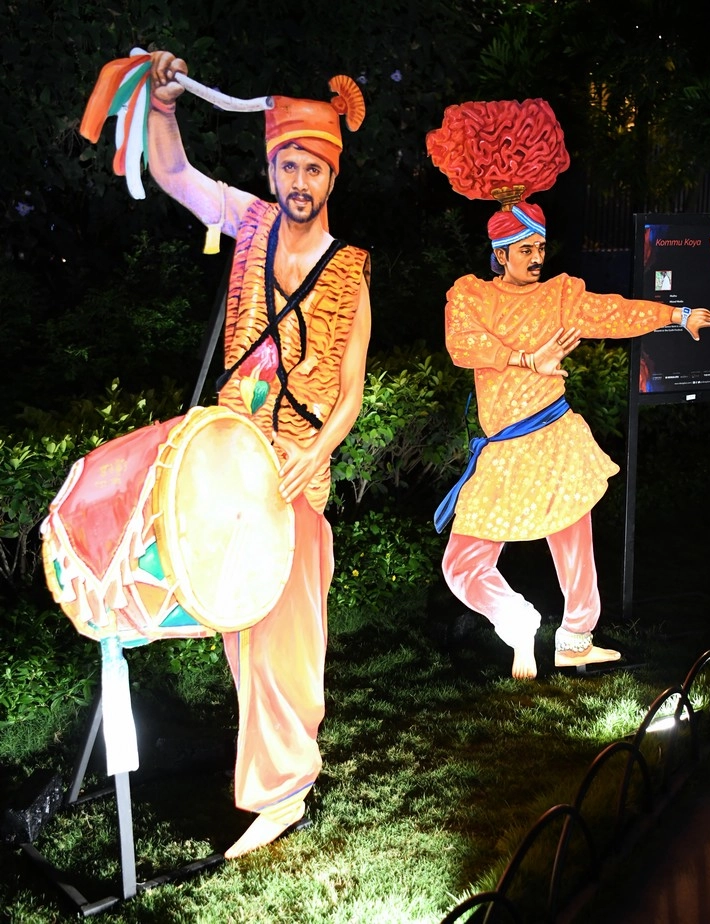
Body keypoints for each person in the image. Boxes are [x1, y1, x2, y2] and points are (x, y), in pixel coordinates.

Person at [146, 51, 371, 856]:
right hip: (232, 459)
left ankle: (283, 790)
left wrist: (321, 452)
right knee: (239, 625)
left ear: (333, 175)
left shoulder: (351, 269)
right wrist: (162, 106)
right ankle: (280, 775)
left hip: (295, 473)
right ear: (272, 170)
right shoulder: (248, 223)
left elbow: (351, 388)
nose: (299, 181)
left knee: (287, 632)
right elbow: (173, 174)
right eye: (288, 166)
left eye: (313, 167)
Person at [427, 99, 710, 682]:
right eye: (525, 250)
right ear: (499, 255)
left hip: (554, 440)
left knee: (574, 544)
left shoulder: (560, 296)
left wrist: (678, 315)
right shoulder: (470, 296)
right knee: (462, 564)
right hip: (504, 450)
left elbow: (614, 312)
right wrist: (526, 358)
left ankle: (575, 639)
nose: (537, 259)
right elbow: (464, 346)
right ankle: (517, 621)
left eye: (541, 248)